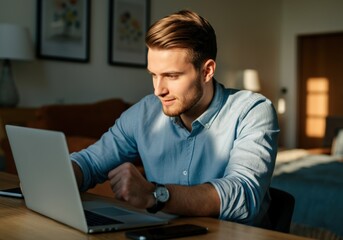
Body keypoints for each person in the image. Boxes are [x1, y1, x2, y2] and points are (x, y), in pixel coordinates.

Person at [71, 10, 279, 227]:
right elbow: (90, 163)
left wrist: (156, 194)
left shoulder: (252, 111)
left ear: (207, 71)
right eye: (153, 75)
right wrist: (52, 177)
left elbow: (244, 194)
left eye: (171, 76)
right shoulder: (144, 113)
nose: (158, 90)